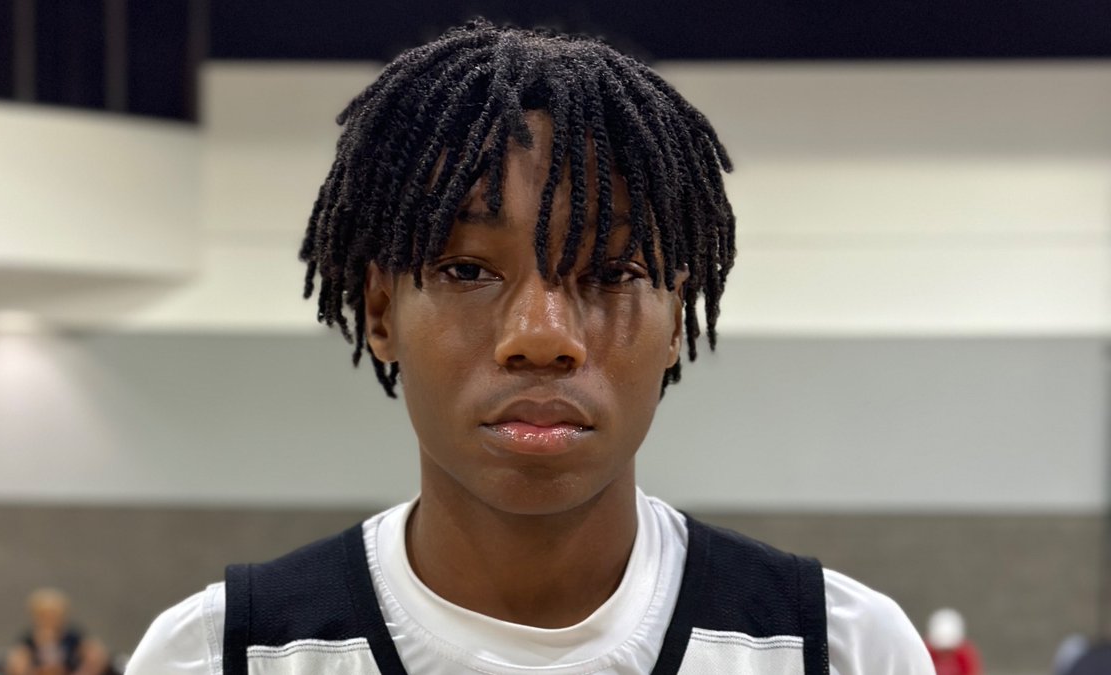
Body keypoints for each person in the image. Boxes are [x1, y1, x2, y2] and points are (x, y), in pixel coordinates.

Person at [127, 19, 933, 675]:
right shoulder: (221, 655)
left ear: (678, 319)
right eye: (467, 269)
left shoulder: (840, 649)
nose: (541, 337)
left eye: (611, 272)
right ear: (380, 310)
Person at [6, 587, 108, 675]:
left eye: (53, 614)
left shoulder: (73, 637)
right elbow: (17, 664)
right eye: (44, 614)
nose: (49, 618)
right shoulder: (28, 639)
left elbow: (96, 656)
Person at [923, 608, 982, 675]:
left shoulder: (966, 656)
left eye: (948, 650)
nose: (944, 654)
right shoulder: (925, 654)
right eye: (941, 650)